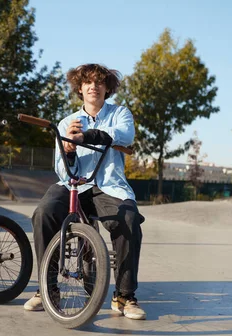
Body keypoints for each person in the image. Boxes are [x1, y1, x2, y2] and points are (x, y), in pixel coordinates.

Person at [23, 63, 146, 320]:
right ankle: (48, 288)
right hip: (74, 184)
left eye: (100, 82)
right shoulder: (67, 121)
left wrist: (87, 137)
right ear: (80, 88)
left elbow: (125, 135)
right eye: (88, 82)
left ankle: (124, 295)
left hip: (108, 185)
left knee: (129, 219)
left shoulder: (120, 113)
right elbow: (61, 168)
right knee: (43, 213)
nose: (94, 86)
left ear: (107, 88)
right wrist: (68, 151)